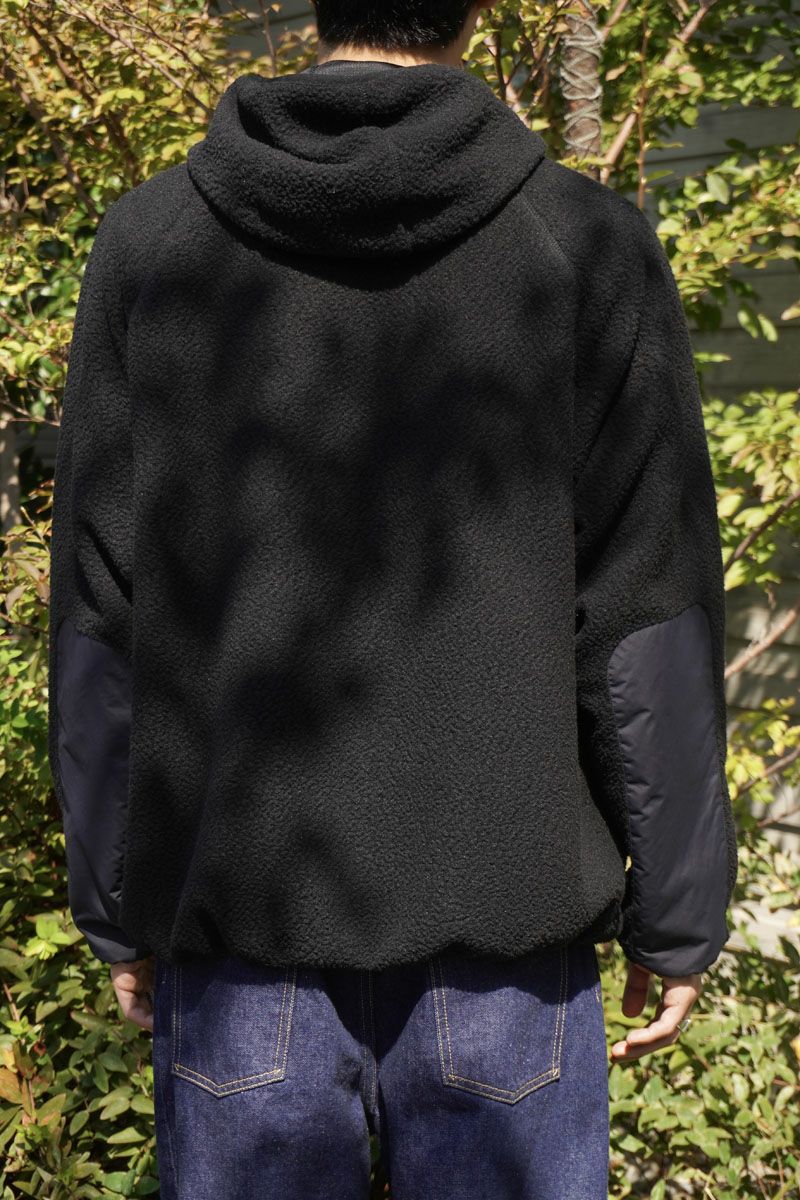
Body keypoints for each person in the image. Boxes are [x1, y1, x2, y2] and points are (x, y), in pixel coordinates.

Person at [47, 1, 739, 1196]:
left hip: (241, 935)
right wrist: (675, 910)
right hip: (508, 953)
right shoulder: (583, 243)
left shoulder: (155, 244)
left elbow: (102, 611)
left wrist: (118, 903)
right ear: (476, 7)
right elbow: (645, 606)